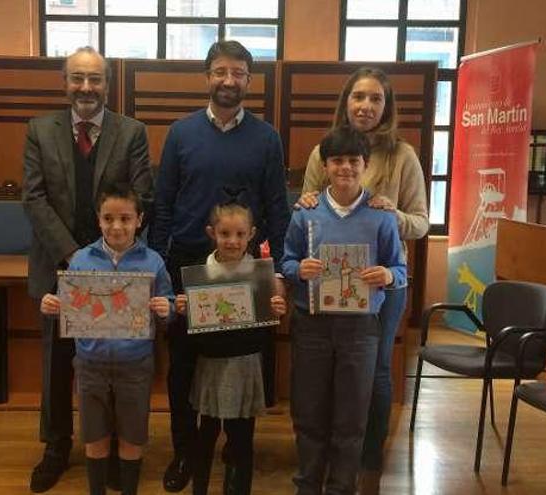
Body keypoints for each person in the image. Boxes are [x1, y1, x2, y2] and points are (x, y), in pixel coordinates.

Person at [149, 40, 290, 492]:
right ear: (207, 76)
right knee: (186, 369)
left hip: (246, 269)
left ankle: (236, 448)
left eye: (239, 73)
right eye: (220, 71)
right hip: (188, 265)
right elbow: (163, 204)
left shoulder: (267, 138)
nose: (229, 80)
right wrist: (157, 269)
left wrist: (280, 272)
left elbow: (276, 208)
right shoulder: (181, 133)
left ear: (250, 80)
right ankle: (186, 453)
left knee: (242, 361)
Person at [22, 46, 153, 493]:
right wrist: (78, 259)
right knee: (57, 363)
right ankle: (57, 446)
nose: (85, 87)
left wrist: (104, 259)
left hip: (118, 270)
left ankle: (114, 448)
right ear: (64, 82)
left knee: (110, 364)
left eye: (94, 79)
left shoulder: (131, 132)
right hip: (59, 267)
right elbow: (33, 198)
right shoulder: (39, 130)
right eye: (77, 78)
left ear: (107, 84)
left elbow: (141, 197)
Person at [298, 67, 428, 494]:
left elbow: (421, 223)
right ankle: (326, 464)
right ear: (346, 102)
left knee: (373, 373)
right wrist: (307, 200)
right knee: (326, 377)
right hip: (328, 282)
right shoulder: (326, 151)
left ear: (386, 106)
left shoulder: (402, 155)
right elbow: (310, 206)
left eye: (375, 99)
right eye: (358, 97)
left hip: (383, 281)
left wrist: (391, 214)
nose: (366, 106)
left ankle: (367, 458)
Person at [282, 127, 407, 495]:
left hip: (361, 329)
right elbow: (286, 261)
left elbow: (400, 271)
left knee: (352, 417)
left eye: (354, 161)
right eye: (337, 160)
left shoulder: (381, 216)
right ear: (325, 165)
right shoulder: (305, 213)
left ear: (365, 165)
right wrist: (297, 269)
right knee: (309, 411)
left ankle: (341, 487)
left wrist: (386, 274)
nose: (346, 168)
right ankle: (307, 484)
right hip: (312, 325)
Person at [40, 185, 173, 495]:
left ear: (139, 219)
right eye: (108, 218)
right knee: (94, 437)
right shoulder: (81, 261)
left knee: (132, 436)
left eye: (125, 219)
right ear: (98, 220)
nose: (117, 226)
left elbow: (168, 308)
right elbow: (67, 309)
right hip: (90, 365)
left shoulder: (153, 262)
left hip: (135, 366)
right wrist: (51, 307)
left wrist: (167, 309)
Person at [174, 201, 287, 495]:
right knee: (207, 433)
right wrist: (184, 308)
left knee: (241, 438)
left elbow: (267, 324)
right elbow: (190, 326)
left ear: (251, 234)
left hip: (246, 363)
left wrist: (276, 307)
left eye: (240, 234)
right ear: (212, 233)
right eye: (225, 233)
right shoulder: (199, 271)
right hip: (210, 362)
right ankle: (199, 488)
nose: (233, 241)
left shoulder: (262, 274)